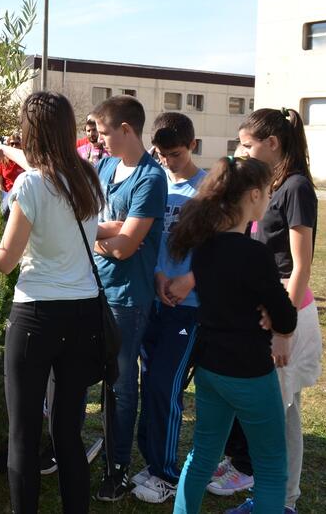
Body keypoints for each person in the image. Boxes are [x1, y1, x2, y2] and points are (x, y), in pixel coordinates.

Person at [0, 91, 116, 514]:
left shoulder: (31, 184)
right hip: (84, 311)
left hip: (37, 314)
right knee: (69, 433)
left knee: (23, 433)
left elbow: (3, 260)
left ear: (30, 133)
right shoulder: (88, 175)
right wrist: (3, 150)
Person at [170, 155, 297, 514]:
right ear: (254, 195)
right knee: (272, 465)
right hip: (249, 372)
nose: (270, 198)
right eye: (268, 192)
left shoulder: (203, 247)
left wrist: (267, 313)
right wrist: (275, 319)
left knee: (202, 455)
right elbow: (284, 312)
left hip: (211, 367)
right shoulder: (254, 253)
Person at [217, 108, 321, 514]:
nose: (242, 152)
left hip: (286, 311)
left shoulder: (296, 187)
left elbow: (301, 266)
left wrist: (284, 325)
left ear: (272, 143)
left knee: (272, 414)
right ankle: (281, 501)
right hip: (266, 308)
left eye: (248, 144)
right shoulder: (267, 183)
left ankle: (276, 502)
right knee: (280, 413)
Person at [90, 95, 168, 502]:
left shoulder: (150, 179)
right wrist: (107, 233)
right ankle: (101, 450)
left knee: (121, 385)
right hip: (95, 288)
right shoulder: (105, 166)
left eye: (104, 133)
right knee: (98, 379)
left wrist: (96, 237)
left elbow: (125, 247)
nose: (99, 141)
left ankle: (118, 468)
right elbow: (99, 226)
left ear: (126, 129)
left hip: (127, 298)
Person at [132, 112, 207, 504]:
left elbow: (225, 247)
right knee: (149, 385)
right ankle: (151, 461)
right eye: (161, 154)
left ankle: (166, 472)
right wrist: (160, 275)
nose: (167, 161)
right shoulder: (155, 181)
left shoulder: (209, 187)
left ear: (192, 146)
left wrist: (189, 279)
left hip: (188, 307)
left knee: (165, 386)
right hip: (153, 300)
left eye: (175, 155)